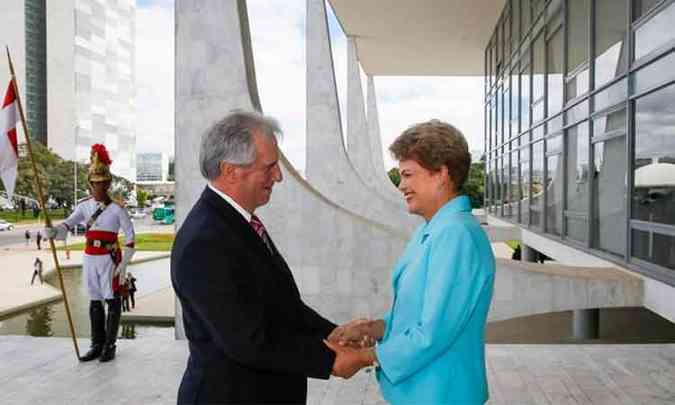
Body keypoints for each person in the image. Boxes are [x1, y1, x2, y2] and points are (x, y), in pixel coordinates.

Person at [171, 111, 359, 404]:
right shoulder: (204, 241)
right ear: (231, 170)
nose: (279, 176)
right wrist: (330, 361)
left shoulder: (237, 222)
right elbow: (246, 340)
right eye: (269, 167)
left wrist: (332, 332)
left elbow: (281, 306)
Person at [327, 120, 496, 404]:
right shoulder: (433, 230)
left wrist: (363, 357)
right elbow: (418, 313)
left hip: (442, 394)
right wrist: (373, 329)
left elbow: (433, 331)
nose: (401, 184)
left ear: (441, 174)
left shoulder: (456, 235)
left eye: (408, 174)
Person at [45, 144, 136, 363]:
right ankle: (96, 344)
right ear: (90, 185)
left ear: (108, 184)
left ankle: (110, 346)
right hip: (89, 257)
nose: (99, 188)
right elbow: (68, 224)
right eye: (95, 184)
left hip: (108, 259)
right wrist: (55, 231)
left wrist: (123, 264)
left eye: (103, 183)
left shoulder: (117, 208)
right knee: (95, 301)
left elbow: (131, 238)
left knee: (112, 300)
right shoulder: (84, 206)